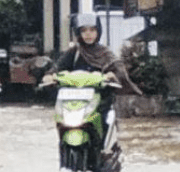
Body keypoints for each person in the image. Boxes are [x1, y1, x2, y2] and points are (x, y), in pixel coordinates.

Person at [40, 12, 141, 153]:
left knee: (105, 122)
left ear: (98, 31)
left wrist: (111, 76)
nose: (88, 34)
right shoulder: (74, 52)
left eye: (92, 30)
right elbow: (57, 68)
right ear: (78, 33)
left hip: (99, 101)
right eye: (84, 30)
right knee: (61, 122)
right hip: (74, 102)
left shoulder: (105, 53)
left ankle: (104, 150)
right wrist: (49, 76)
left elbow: (119, 70)